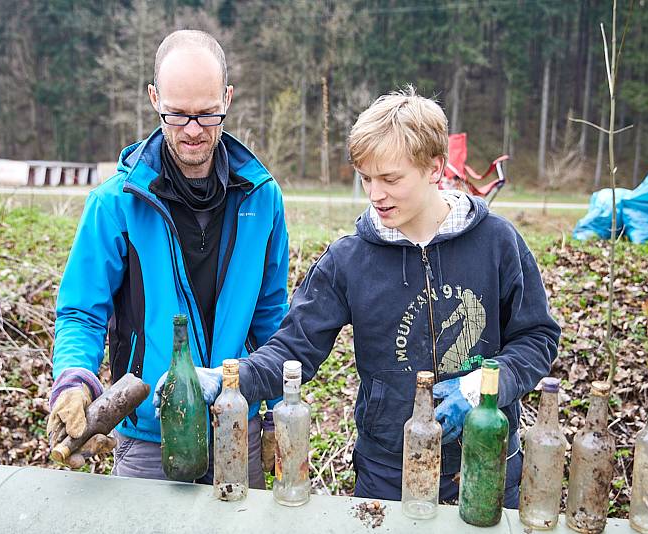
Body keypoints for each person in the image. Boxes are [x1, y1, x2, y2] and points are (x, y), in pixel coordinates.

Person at [165, 86, 560, 506]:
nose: (375, 194)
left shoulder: (497, 242)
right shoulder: (349, 259)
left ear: (434, 168)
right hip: (388, 472)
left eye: (390, 179)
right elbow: (291, 349)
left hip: (488, 463)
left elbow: (537, 339)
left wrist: (482, 387)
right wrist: (227, 378)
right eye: (366, 178)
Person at [46, 30, 289, 489]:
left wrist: (275, 413)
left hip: (239, 427)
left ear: (228, 99)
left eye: (206, 113)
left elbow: (272, 319)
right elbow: (81, 311)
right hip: (148, 439)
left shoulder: (263, 199)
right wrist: (74, 378)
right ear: (155, 99)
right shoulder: (115, 204)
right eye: (177, 115)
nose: (193, 129)